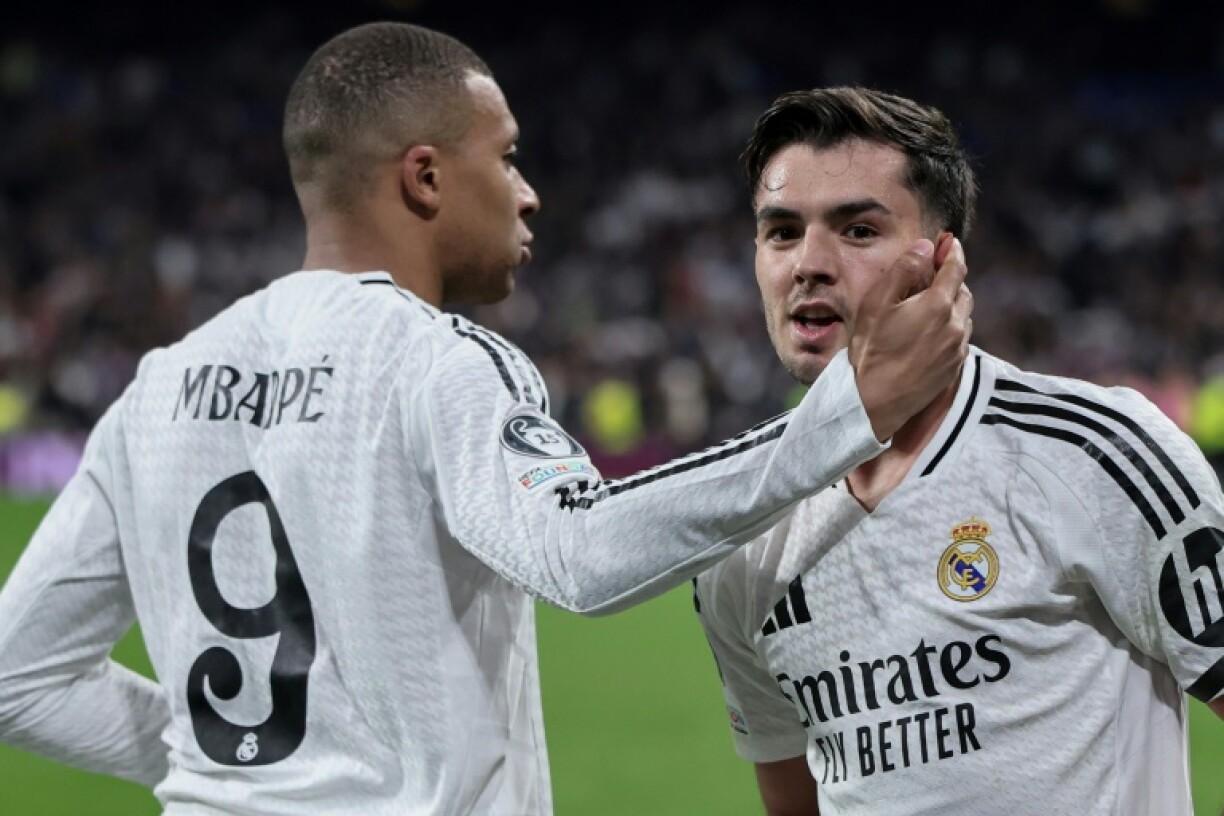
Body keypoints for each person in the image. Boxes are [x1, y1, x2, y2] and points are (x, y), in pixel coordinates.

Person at [0, 25, 972, 815]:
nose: (528, 191)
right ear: (424, 177)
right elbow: (580, 556)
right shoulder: (434, 360)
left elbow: (17, 679)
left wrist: (245, 767)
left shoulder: (160, 385)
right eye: (506, 158)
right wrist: (846, 415)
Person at [694, 86, 1224, 816]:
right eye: (781, 233)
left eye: (857, 230)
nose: (807, 264)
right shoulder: (742, 532)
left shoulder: (1097, 456)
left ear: (942, 262)